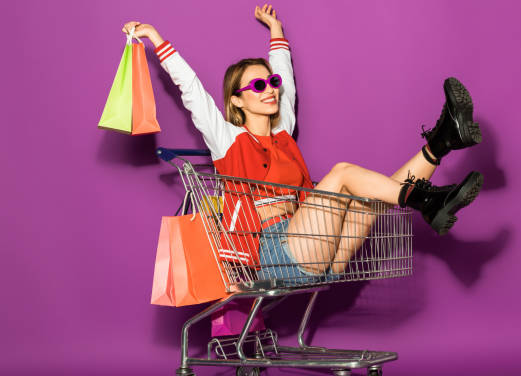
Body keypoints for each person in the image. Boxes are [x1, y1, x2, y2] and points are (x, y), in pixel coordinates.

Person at [122, 4, 483, 282]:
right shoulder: (227, 139)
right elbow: (192, 91)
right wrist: (155, 38)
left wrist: (276, 31)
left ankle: (442, 141)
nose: (270, 90)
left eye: (271, 82)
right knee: (341, 173)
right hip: (274, 253)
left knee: (369, 199)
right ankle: (426, 200)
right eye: (258, 86)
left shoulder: (283, 132)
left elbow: (287, 84)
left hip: (316, 246)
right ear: (236, 100)